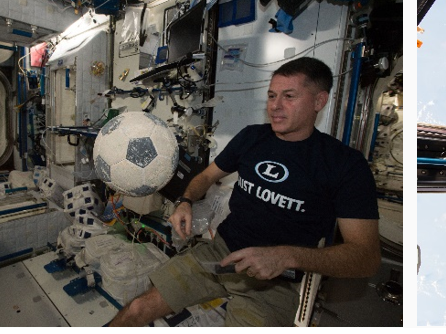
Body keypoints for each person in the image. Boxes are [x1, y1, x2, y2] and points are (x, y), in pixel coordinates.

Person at [109, 57, 380, 326]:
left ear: (319, 102)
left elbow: (365, 257)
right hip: (220, 254)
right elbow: (205, 176)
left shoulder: (344, 165)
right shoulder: (252, 138)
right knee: (137, 308)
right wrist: (185, 201)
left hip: (274, 282)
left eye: (289, 96)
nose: (275, 106)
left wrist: (286, 256)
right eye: (272, 95)